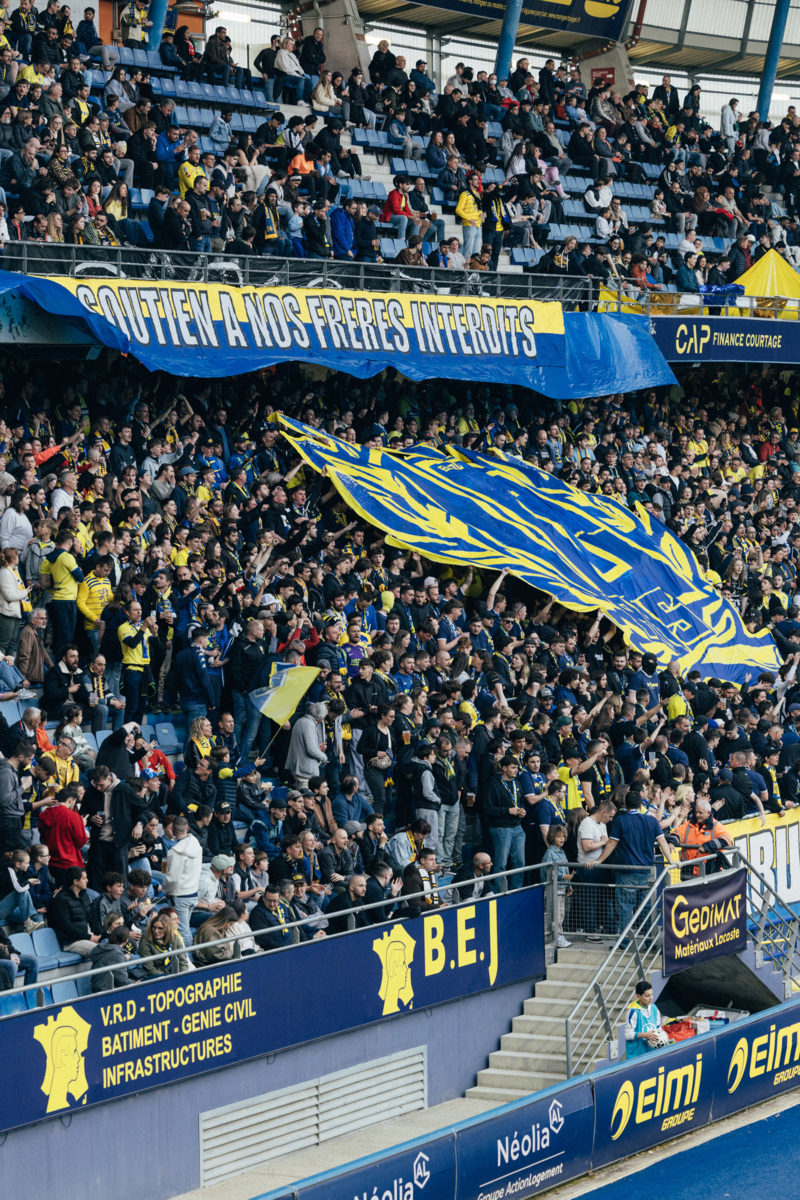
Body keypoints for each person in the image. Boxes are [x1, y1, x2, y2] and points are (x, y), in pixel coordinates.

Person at [161, 813, 203, 946]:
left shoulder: (174, 852)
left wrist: (164, 890)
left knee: (182, 931)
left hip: (180, 896)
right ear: (188, 828)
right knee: (185, 929)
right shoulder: (195, 842)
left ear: (172, 830)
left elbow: (172, 880)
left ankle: (187, 957)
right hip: (193, 893)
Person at [625, 979, 664, 1057]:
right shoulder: (633, 1012)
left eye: (651, 995)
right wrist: (646, 1035)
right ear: (638, 996)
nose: (651, 998)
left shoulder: (654, 1008)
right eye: (647, 996)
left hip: (652, 1053)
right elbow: (628, 1035)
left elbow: (658, 1028)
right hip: (636, 1055)